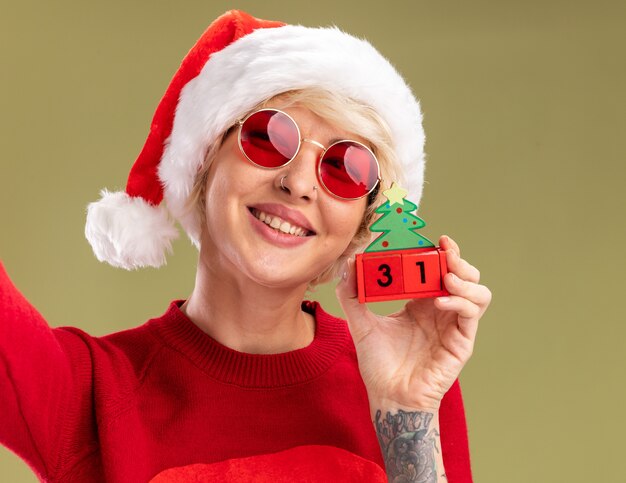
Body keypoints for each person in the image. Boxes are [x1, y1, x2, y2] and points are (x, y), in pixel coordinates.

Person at [0, 9, 491, 483]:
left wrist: (406, 410)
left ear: (363, 221)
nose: (299, 183)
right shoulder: (85, 394)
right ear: (205, 158)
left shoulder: (411, 379)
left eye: (345, 167)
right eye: (269, 138)